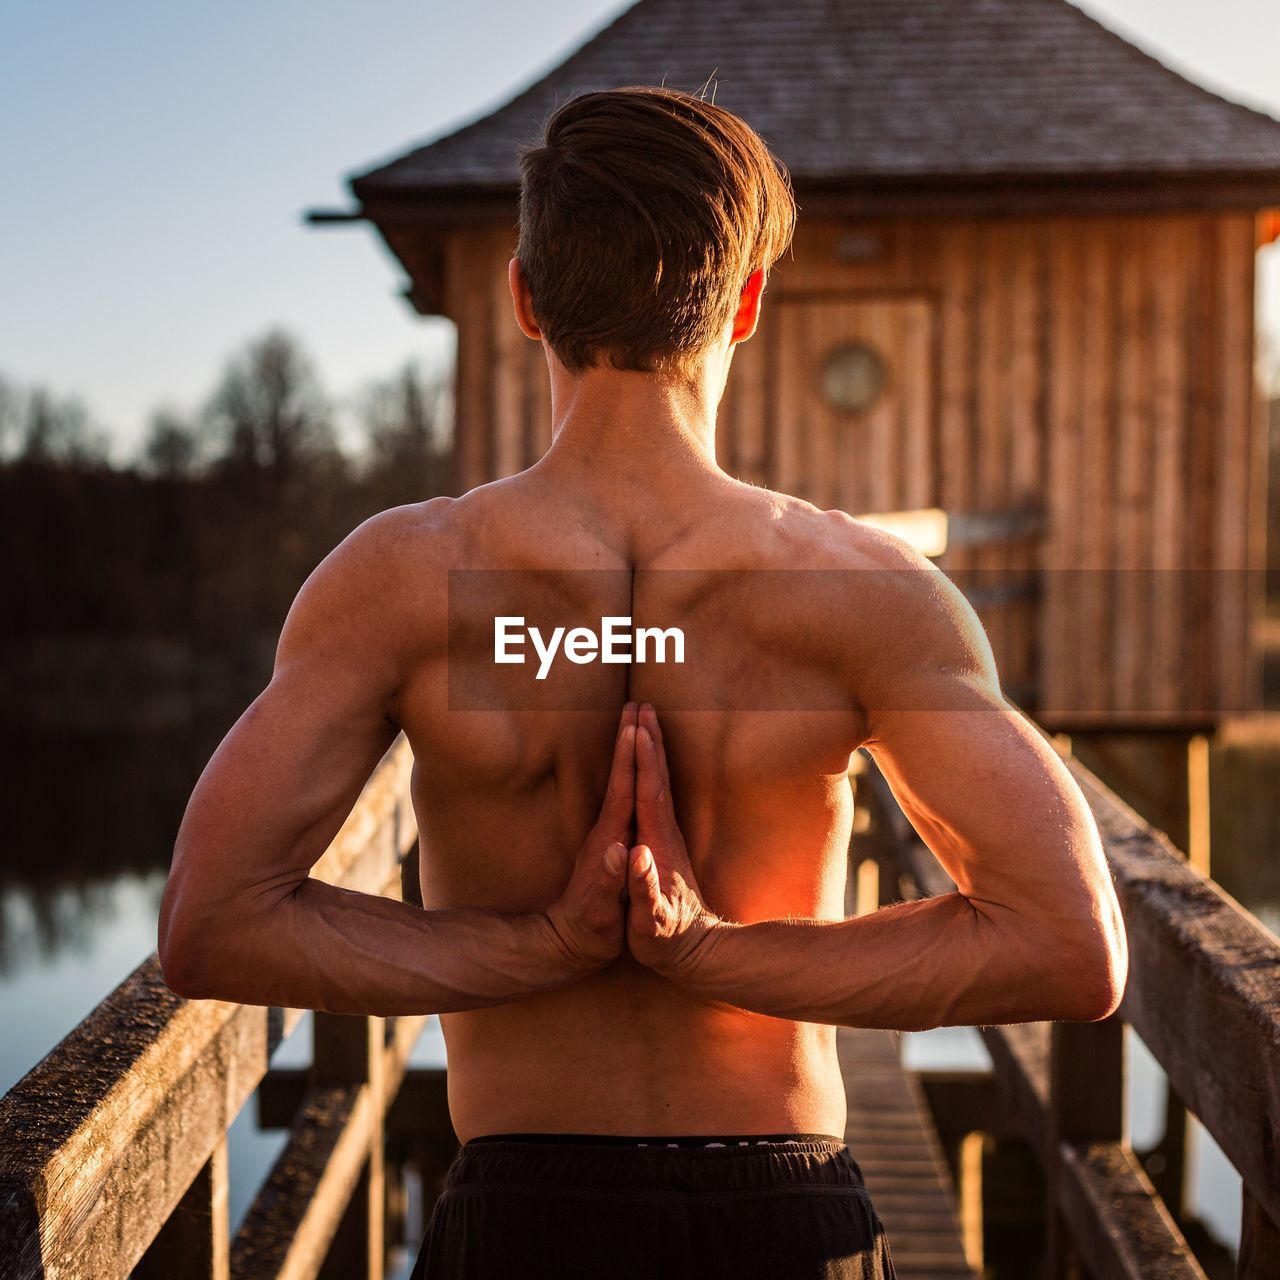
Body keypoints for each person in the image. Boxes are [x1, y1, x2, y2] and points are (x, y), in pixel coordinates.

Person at [158, 86, 1128, 1278]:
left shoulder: (403, 582)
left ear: (523, 297)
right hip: (787, 1214)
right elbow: (1071, 943)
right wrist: (713, 952)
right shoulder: (862, 590)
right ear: (746, 303)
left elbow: (211, 922)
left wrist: (542, 947)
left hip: (522, 1216)